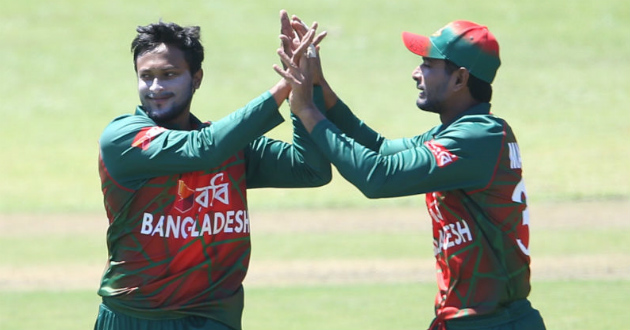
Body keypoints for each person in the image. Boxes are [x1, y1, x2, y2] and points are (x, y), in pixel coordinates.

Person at [276, 16, 546, 330]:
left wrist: (307, 111)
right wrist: (320, 87)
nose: (416, 73)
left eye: (428, 65)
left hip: (493, 323)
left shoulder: (477, 138)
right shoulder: (462, 133)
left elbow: (377, 177)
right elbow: (378, 149)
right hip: (474, 320)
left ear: (460, 79)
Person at [95, 20, 330, 330]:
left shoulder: (229, 147)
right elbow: (203, 150)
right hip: (135, 317)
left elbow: (310, 169)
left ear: (196, 79)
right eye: (146, 77)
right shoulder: (123, 138)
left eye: (169, 75)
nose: (156, 88)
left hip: (214, 319)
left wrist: (305, 93)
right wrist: (285, 84)